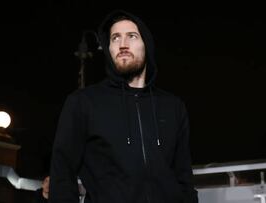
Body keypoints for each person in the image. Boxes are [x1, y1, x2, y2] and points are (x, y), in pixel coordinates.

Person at [49, 9, 198, 203]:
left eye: (132, 36)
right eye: (115, 38)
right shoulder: (84, 102)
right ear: (108, 48)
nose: (123, 45)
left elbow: (184, 175)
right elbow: (62, 173)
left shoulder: (173, 106)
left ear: (147, 44)